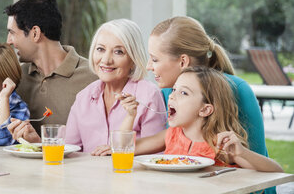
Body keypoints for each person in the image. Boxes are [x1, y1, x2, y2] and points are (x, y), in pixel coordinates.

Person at [119, 66, 283, 172]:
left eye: (184, 93)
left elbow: (277, 171)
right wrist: (131, 115)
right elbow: (126, 148)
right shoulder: (172, 135)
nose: (172, 97)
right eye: (174, 90)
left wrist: (242, 153)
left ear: (205, 109)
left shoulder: (220, 145)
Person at [147, 16, 268, 157]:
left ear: (183, 62)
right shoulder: (168, 92)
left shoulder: (238, 89)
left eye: (154, 59)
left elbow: (259, 161)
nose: (148, 66)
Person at [65, 19, 167, 155]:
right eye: (100, 49)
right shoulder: (83, 96)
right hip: (87, 175)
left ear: (133, 59)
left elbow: (154, 157)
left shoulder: (149, 95)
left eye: (118, 52)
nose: (106, 60)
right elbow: (69, 151)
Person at [5, 0, 97, 141]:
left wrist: (41, 144)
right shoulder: (16, 78)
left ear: (35, 33)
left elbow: (98, 141)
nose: (8, 41)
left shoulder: (93, 77)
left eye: (12, 33)